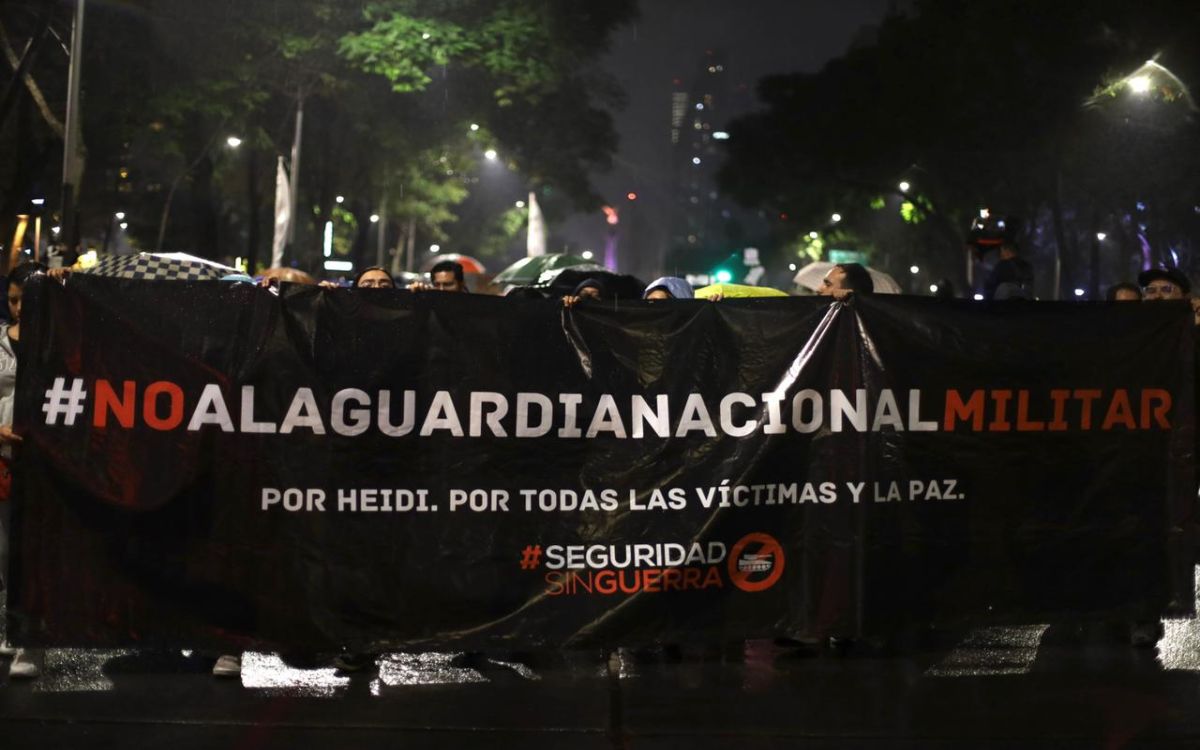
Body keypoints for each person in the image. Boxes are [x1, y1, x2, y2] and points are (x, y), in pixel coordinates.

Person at [1, 261, 47, 678]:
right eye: (13, 300)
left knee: (33, 554)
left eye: (27, 299)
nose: (18, 309)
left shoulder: (60, 343)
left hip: (48, 468)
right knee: (4, 552)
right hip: (3, 462)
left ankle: (27, 641)